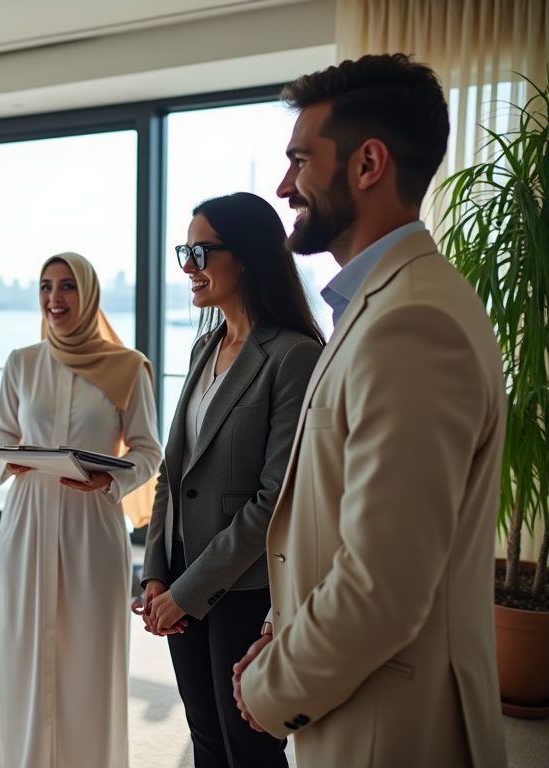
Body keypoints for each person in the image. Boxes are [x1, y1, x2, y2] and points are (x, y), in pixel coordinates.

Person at [232, 54, 508, 768]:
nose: (283, 185)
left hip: (394, 729)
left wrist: (271, 687)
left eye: (299, 160)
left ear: (368, 164)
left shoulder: (412, 323)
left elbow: (382, 586)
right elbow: (335, 521)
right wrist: (281, 629)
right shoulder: (385, 305)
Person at [136, 192, 323, 767]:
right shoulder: (204, 347)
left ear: (246, 255)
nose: (188, 266)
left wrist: (188, 591)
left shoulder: (294, 355)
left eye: (200, 250)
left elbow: (275, 501)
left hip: (244, 589)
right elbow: (174, 470)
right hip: (179, 577)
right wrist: (155, 573)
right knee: (206, 738)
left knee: (252, 745)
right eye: (183, 251)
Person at [0, 252, 163, 767]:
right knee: (25, 655)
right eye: (45, 286)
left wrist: (112, 476)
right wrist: (14, 458)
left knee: (89, 660)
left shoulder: (129, 367)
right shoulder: (22, 361)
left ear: (87, 296)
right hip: (27, 522)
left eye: (66, 286)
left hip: (93, 525)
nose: (54, 298)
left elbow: (149, 450)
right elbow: (1, 433)